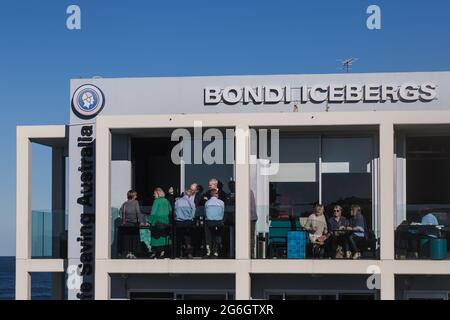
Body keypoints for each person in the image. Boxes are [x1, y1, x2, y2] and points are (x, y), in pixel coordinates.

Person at [148, 187, 172, 258]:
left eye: (154, 193)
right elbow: (170, 210)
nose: (153, 195)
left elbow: (153, 212)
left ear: (158, 193)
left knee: (156, 238)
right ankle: (162, 253)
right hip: (165, 221)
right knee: (164, 237)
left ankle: (154, 253)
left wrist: (149, 220)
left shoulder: (156, 201)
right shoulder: (166, 201)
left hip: (157, 222)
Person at [119, 190, 143, 259]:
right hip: (134, 224)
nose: (136, 196)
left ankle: (128, 253)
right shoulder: (135, 202)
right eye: (136, 195)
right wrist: (141, 221)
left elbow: (120, 212)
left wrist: (123, 219)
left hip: (126, 224)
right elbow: (138, 212)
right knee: (134, 239)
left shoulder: (124, 203)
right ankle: (132, 253)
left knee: (127, 239)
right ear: (133, 196)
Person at [174, 189, 196, 258]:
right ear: (189, 195)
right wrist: (192, 217)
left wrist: (177, 217)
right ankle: (189, 253)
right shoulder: (190, 201)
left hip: (179, 222)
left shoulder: (177, 201)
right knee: (188, 237)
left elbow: (175, 210)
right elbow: (194, 210)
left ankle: (179, 253)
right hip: (188, 222)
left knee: (179, 237)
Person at [204, 189, 225, 258]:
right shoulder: (221, 202)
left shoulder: (207, 203)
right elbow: (222, 213)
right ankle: (216, 252)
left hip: (209, 222)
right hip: (219, 222)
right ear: (216, 194)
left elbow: (205, 214)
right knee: (217, 236)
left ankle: (208, 252)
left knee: (208, 237)